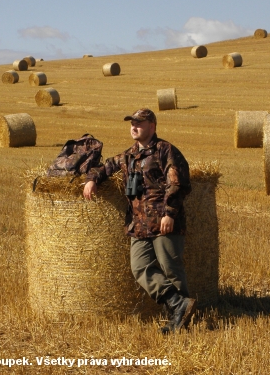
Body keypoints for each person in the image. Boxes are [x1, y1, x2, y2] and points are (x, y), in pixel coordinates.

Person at [83, 108, 195, 334]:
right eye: (132, 123)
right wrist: (92, 179)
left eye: (139, 123)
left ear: (152, 126)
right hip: (139, 225)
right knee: (140, 267)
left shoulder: (166, 150)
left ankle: (181, 321)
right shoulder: (127, 156)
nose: (134, 127)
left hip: (163, 221)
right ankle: (178, 305)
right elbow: (105, 168)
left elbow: (178, 183)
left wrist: (169, 213)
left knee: (171, 268)